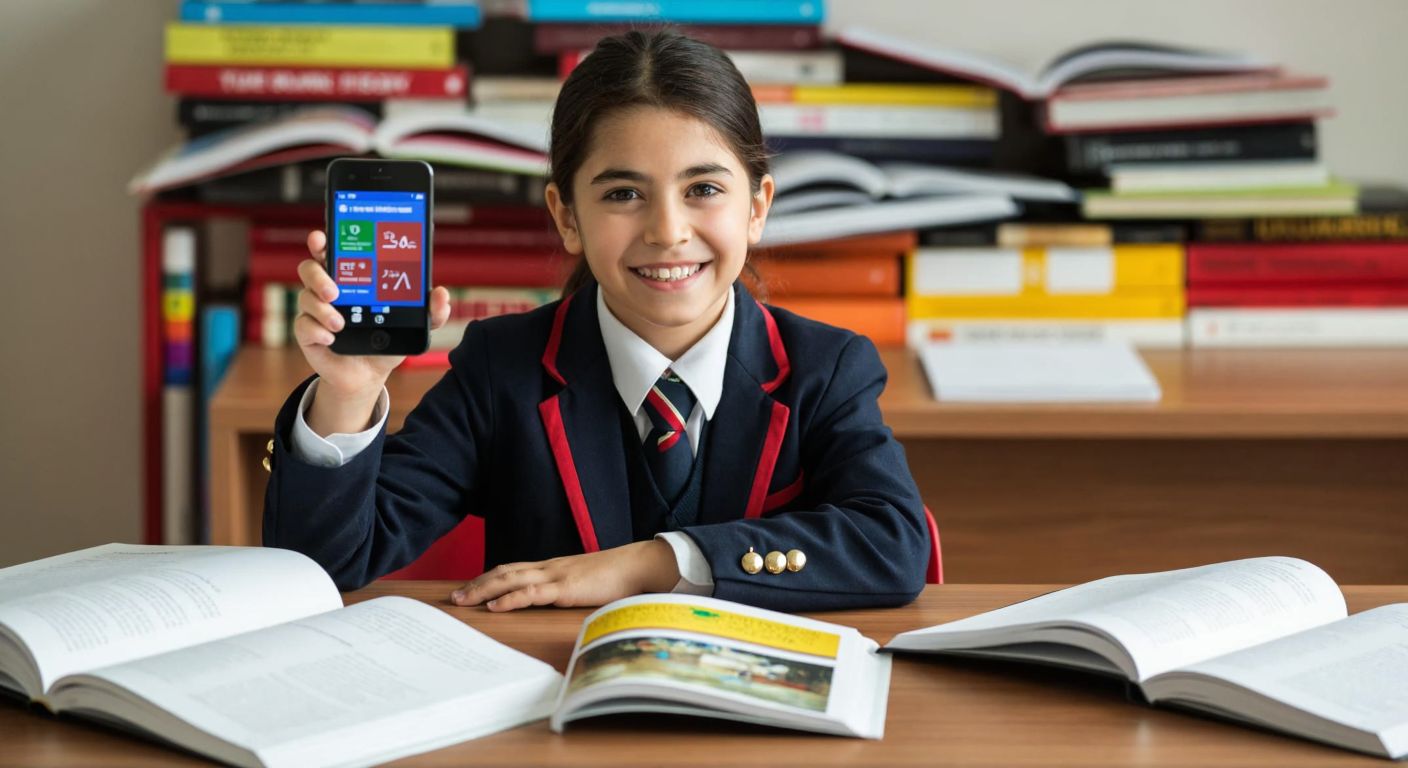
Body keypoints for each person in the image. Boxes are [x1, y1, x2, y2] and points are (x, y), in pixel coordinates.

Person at [265, 29, 929, 612]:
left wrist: (646, 564)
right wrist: (347, 394)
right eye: (623, 194)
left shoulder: (825, 368)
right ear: (566, 216)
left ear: (756, 208)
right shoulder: (504, 368)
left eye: (703, 189)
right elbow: (327, 565)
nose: (669, 232)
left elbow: (895, 546)